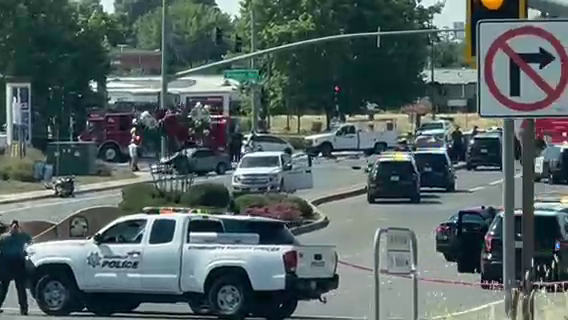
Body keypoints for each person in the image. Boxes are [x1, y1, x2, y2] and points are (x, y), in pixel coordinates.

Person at [0, 220, 31, 315]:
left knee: (19, 288)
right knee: (4, 287)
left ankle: (24, 308)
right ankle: (23, 308)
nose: (14, 228)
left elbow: (30, 241)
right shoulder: (4, 238)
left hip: (16, 263)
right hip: (8, 263)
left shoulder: (21, 236)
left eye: (16, 226)